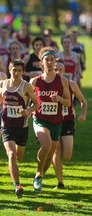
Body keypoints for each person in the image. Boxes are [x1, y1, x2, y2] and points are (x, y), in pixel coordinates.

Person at [0, 59, 39, 198]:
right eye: (14, 70)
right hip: (7, 126)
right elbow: (0, 97)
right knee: (11, 155)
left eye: (19, 70)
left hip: (21, 127)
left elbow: (36, 104)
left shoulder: (26, 86)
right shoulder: (3, 83)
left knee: (19, 156)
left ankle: (16, 178)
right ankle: (17, 185)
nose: (17, 73)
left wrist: (28, 111)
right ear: (9, 69)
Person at [29, 47, 70, 193]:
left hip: (57, 122)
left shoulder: (63, 81)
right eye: (47, 59)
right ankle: (38, 174)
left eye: (52, 59)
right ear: (42, 63)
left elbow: (68, 103)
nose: (51, 62)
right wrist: (28, 110)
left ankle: (39, 176)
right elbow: (27, 98)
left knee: (51, 152)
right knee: (45, 146)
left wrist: (59, 99)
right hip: (40, 119)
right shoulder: (35, 81)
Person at [52, 58, 87, 189]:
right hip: (52, 121)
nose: (57, 71)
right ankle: (60, 182)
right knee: (56, 152)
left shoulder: (71, 84)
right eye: (55, 69)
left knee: (67, 155)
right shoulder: (48, 83)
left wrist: (83, 114)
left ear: (64, 70)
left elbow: (83, 101)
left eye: (60, 69)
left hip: (67, 121)